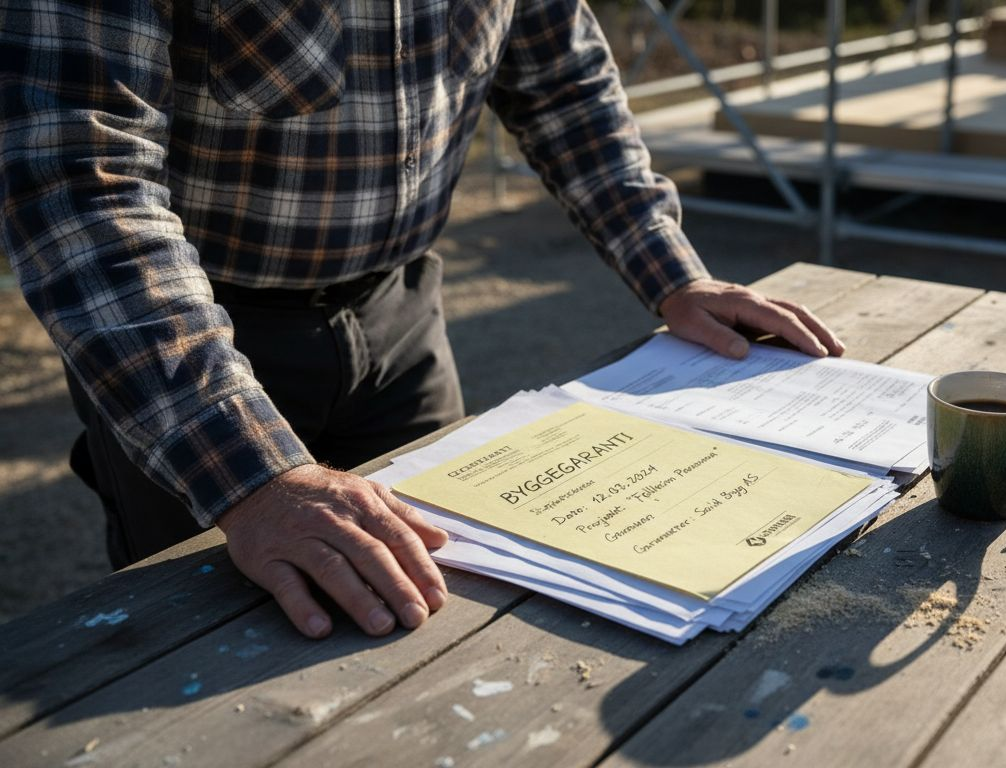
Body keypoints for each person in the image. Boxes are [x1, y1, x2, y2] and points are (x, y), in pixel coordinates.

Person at [1, 0, 843, 639]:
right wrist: (250, 476)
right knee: (203, 658)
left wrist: (675, 276)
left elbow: (562, 82)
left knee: (450, 614)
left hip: (404, 319)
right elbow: (78, 176)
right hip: (198, 344)